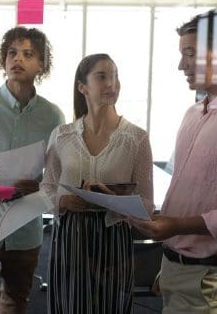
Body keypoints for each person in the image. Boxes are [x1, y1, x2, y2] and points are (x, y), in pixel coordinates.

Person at [129, 10, 217, 313]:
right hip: (177, 266)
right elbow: (188, 193)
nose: (181, 65)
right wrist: (170, 264)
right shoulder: (192, 114)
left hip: (210, 278)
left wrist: (176, 225)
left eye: (190, 54)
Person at [41, 53, 154, 313]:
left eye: (114, 76)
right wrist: (64, 200)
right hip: (70, 236)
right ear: (83, 87)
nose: (111, 84)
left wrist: (116, 202)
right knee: (69, 305)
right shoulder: (62, 136)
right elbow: (46, 188)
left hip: (114, 237)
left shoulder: (136, 138)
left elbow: (147, 204)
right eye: (102, 77)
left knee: (110, 307)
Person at [0, 26, 65, 313]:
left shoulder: (53, 115)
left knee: (16, 301)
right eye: (11, 53)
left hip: (25, 224)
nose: (17, 59)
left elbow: (57, 177)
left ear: (40, 64)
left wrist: (42, 186)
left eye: (27, 53)